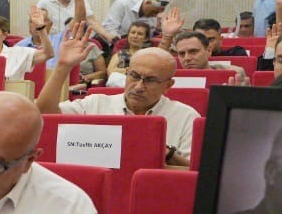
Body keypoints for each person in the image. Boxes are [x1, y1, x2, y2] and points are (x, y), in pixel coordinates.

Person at [38, 23, 198, 165]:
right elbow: (44, 115)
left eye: (150, 80)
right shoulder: (96, 104)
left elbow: (194, 172)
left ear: (168, 85)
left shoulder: (185, 117)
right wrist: (62, 67)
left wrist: (165, 153)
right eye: (134, 76)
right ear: (126, 73)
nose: (139, 86)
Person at [101, 0, 170, 39]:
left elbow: (149, 37)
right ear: (147, 2)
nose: (155, 15)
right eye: (154, 11)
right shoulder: (123, 4)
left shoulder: (154, 17)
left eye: (158, 13)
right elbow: (109, 29)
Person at [105, 20, 154, 86]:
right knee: (114, 78)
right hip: (122, 82)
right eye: (133, 33)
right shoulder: (120, 54)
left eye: (140, 34)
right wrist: (127, 70)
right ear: (128, 35)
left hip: (143, 83)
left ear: (146, 38)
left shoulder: (149, 55)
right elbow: (110, 71)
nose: (135, 36)